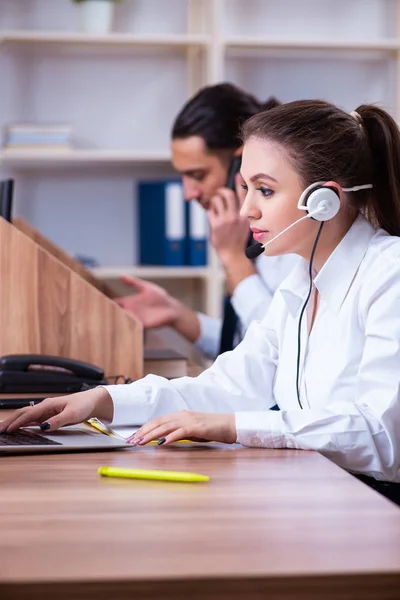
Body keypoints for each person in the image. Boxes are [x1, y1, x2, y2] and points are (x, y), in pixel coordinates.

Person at [3, 99, 400, 503]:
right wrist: (103, 400)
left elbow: (384, 438)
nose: (246, 209)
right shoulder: (302, 282)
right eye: (245, 188)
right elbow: (231, 385)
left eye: (265, 191)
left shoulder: (390, 274)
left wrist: (231, 427)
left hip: (376, 504)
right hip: (322, 495)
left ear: (324, 200)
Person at [117, 83, 299, 359]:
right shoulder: (252, 234)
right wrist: (174, 313)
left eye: (198, 175)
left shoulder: (297, 233)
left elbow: (281, 349)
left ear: (241, 162)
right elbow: (245, 348)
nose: (188, 194)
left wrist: (233, 258)